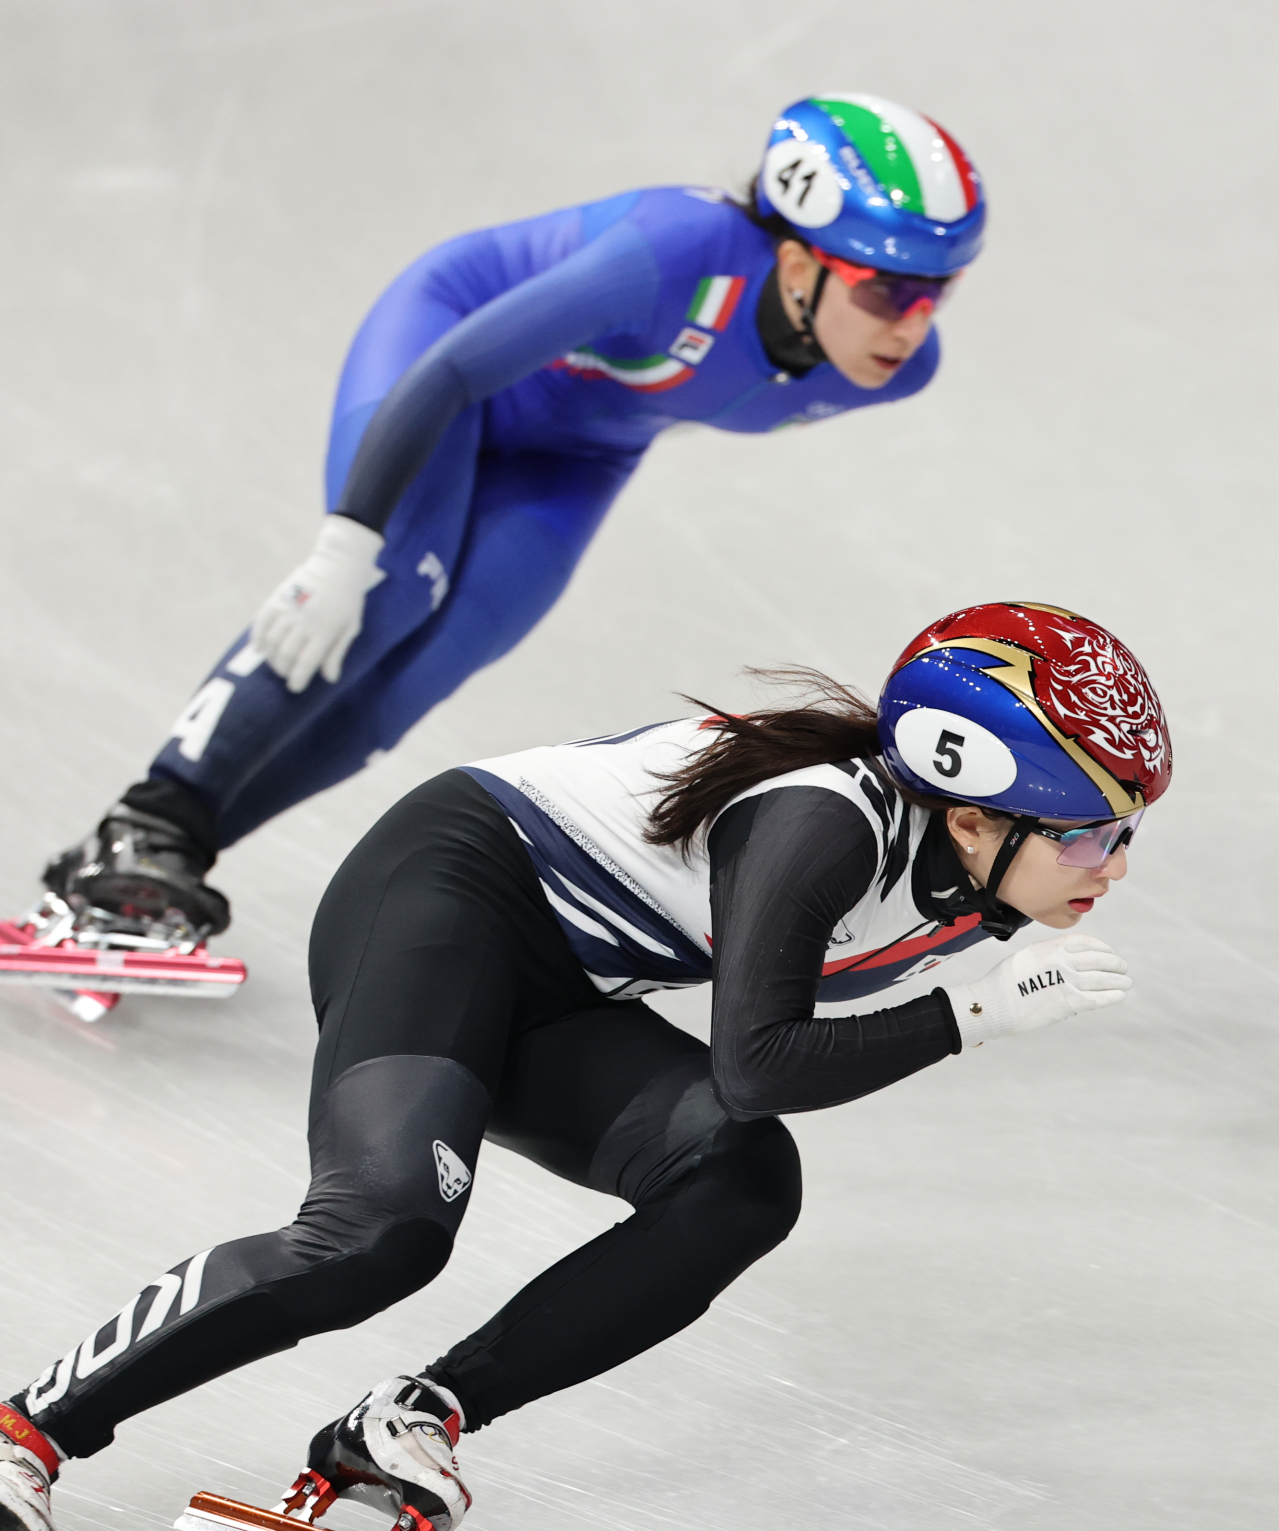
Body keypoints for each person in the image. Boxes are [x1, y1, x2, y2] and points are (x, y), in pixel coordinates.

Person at [0, 601, 1172, 1531]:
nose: (1112, 868)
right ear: (967, 817)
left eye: (1124, 834)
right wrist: (970, 1018)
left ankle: (414, 1417)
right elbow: (756, 1061)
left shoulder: (978, 884)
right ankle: (28, 1431)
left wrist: (974, 994)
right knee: (379, 1233)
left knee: (741, 1181)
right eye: (1087, 837)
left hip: (561, 982)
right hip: (445, 901)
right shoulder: (823, 825)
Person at [36, 92, 985, 944]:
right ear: (795, 264)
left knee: (409, 683)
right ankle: (147, 820)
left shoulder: (891, 372)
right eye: (887, 290)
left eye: (936, 292)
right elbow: (453, 369)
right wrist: (347, 542)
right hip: (448, 363)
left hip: (576, 454)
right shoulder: (676, 251)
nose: (913, 324)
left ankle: (163, 859)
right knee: (385, 598)